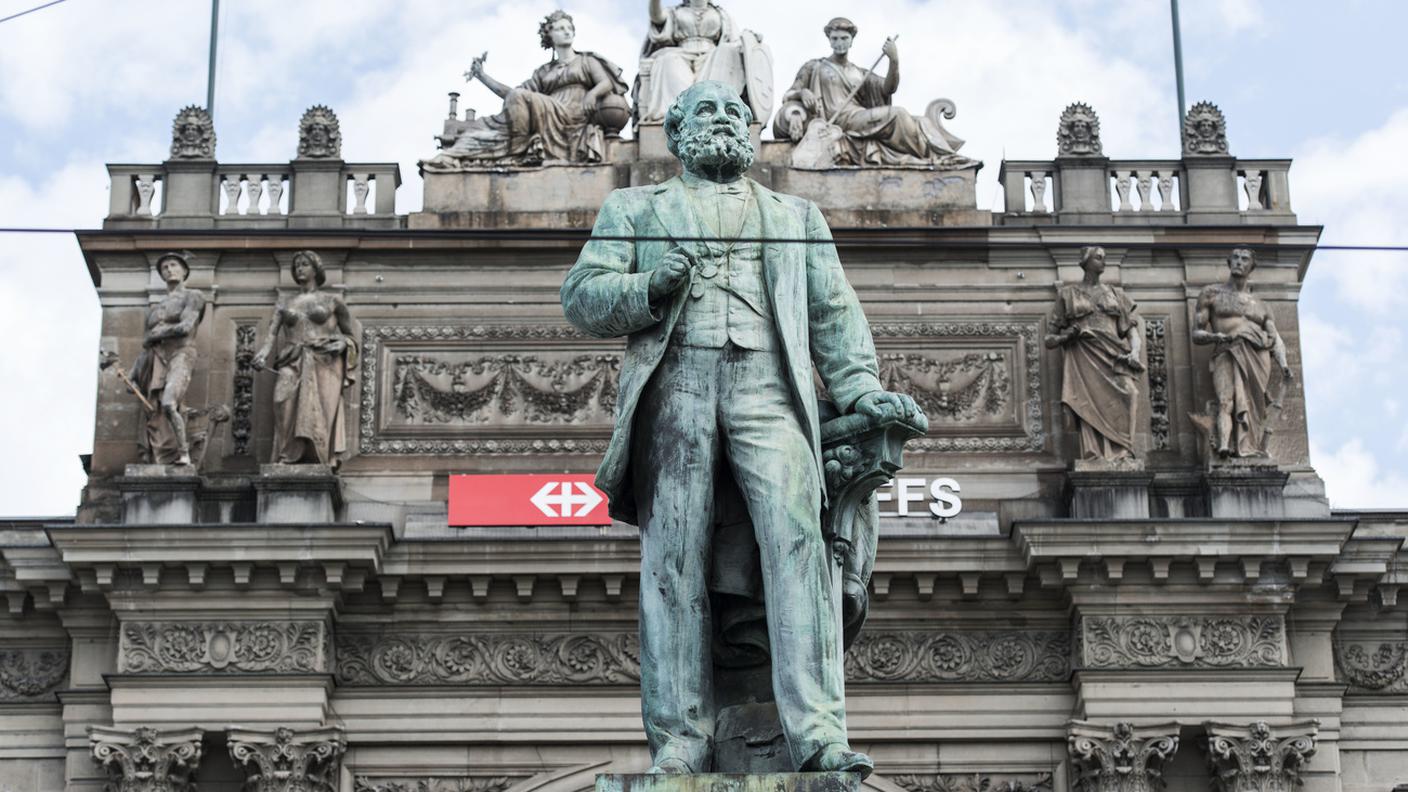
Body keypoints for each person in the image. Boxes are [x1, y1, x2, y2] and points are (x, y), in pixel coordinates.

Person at [561, 81, 919, 777]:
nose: (723, 121)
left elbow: (833, 317)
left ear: (751, 132)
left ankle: (817, 731)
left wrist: (863, 391)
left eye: (735, 112)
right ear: (678, 132)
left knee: (798, 545)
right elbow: (582, 296)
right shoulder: (634, 208)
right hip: (676, 390)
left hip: (768, 388)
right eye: (708, 112)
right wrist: (648, 288)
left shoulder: (797, 216)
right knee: (674, 563)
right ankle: (680, 740)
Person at [421, 10, 628, 169]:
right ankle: (461, 152)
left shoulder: (586, 61)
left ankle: (516, 149)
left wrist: (593, 93)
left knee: (520, 98)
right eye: (560, 28)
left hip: (572, 114)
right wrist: (482, 76)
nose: (566, 31)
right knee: (486, 126)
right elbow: (511, 95)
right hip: (544, 114)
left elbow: (606, 83)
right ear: (550, 36)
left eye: (569, 28)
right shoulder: (544, 71)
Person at [774, 17, 965, 167]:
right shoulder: (814, 66)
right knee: (897, 114)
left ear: (851, 41)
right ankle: (932, 155)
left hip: (857, 117)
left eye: (844, 38)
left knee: (920, 121)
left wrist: (894, 61)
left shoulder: (860, 74)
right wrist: (802, 93)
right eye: (835, 38)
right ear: (829, 40)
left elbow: (888, 89)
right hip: (837, 122)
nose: (839, 43)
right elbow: (789, 95)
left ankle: (939, 156)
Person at [252, 251, 357, 466]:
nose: (299, 268)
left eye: (304, 264)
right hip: (292, 358)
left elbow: (351, 336)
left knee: (323, 411)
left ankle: (319, 458)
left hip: (325, 362)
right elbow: (271, 334)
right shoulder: (285, 303)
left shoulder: (332, 301)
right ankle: (286, 454)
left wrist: (343, 343)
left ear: (316, 269)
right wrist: (262, 355)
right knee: (283, 400)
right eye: (297, 265)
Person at [1044, 246, 1145, 462]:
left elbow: (1132, 332)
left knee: (1130, 393)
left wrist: (1135, 352)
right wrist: (1067, 336)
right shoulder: (1068, 295)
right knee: (1087, 403)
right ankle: (1096, 455)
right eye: (1099, 258)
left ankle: (1123, 452)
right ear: (1086, 261)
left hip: (1115, 354)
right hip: (1084, 355)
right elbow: (1049, 339)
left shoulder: (1117, 294)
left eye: (1105, 258)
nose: (1103, 261)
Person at [1193, 248, 1293, 458]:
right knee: (1225, 400)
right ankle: (1224, 446)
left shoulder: (1262, 305)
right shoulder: (1211, 294)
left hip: (1258, 358)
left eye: (1245, 259)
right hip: (1226, 351)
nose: (1239, 262)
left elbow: (1275, 338)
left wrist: (1283, 364)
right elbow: (1197, 333)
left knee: (1254, 405)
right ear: (1229, 262)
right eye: (1235, 258)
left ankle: (1250, 446)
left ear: (1251, 266)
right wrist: (1215, 338)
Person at [636, 0, 772, 125]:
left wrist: (750, 41)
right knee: (668, 60)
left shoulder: (721, 15)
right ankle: (676, 116)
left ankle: (717, 108)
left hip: (712, 57)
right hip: (682, 53)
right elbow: (657, 17)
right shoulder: (675, 12)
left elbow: (736, 42)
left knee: (727, 50)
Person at [130, 252, 206, 466]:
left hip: (181, 354)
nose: (169, 270)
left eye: (174, 265)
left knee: (169, 403)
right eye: (165, 267)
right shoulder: (156, 308)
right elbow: (147, 345)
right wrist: (134, 373)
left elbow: (186, 327)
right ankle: (162, 455)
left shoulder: (194, 296)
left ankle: (184, 453)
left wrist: (157, 333)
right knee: (155, 409)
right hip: (157, 359)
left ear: (184, 271)